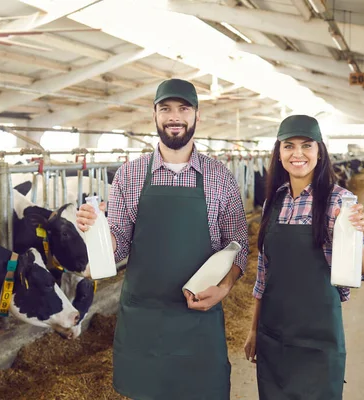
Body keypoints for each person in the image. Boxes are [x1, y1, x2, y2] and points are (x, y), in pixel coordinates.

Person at [76, 78, 249, 400]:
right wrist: (96, 231)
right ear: (154, 115)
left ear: (197, 116)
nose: (174, 116)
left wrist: (224, 289)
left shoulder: (220, 177)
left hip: (199, 318)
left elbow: (238, 244)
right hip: (144, 321)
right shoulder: (129, 174)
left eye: (183, 108)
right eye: (165, 108)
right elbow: (119, 245)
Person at [243, 115, 364, 400]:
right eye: (288, 146)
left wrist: (357, 238)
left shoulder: (338, 201)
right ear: (279, 154)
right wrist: (254, 330)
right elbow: (263, 274)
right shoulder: (272, 202)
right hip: (273, 335)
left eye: (307, 145)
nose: (298, 154)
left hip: (317, 340)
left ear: (319, 151)